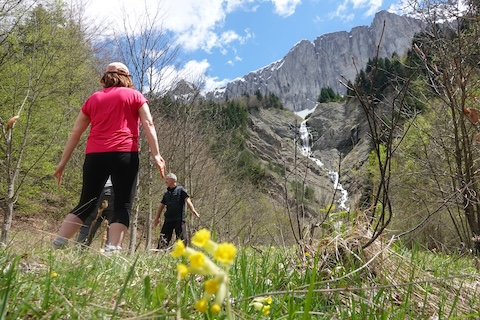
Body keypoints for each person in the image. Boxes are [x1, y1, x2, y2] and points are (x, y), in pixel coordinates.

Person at [52, 62, 166, 252]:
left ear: (105, 77)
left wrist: (63, 162)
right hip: (125, 154)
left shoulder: (93, 99)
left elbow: (75, 133)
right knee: (123, 204)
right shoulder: (135, 96)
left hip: (95, 156)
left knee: (86, 203)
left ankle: (56, 246)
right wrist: (156, 154)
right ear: (127, 78)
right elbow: (148, 123)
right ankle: (113, 251)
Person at [153, 173, 200, 249]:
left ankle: (183, 254)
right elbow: (161, 206)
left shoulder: (181, 190)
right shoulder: (166, 193)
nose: (165, 181)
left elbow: (187, 200)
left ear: (173, 180)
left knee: (182, 238)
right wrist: (157, 217)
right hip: (168, 219)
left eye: (167, 179)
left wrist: (193, 210)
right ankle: (160, 252)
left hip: (179, 219)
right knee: (163, 238)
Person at [77, 177, 114, 247]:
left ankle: (79, 251)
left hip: (99, 188)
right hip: (116, 190)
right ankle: (110, 253)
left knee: (89, 224)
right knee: (113, 226)